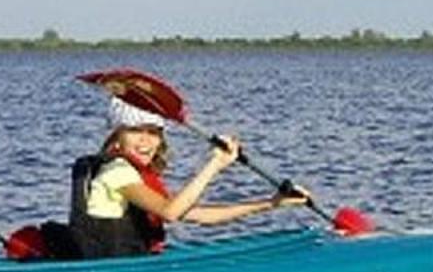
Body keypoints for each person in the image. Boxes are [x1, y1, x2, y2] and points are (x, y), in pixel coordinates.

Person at [67, 96, 311, 258]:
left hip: (132, 266)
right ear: (117, 136)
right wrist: (214, 164)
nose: (145, 141)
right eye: (135, 131)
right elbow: (170, 213)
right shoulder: (117, 172)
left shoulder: (135, 174)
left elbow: (203, 216)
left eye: (153, 132)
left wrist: (272, 202)